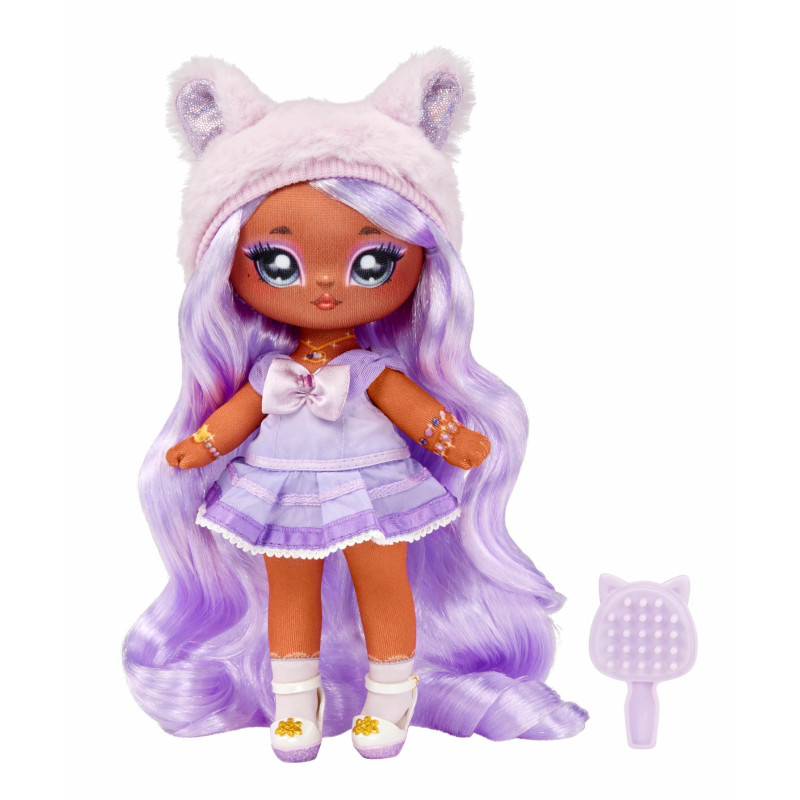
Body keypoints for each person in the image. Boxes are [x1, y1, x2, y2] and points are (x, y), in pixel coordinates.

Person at [123, 49, 587, 763]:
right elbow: (240, 414)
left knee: (382, 582)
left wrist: (452, 439)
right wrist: (201, 446)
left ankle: (391, 695)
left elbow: (412, 408)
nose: (325, 288)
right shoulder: (271, 373)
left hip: (375, 483)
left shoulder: (371, 371)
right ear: (225, 267)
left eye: (372, 263)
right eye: (277, 263)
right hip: (277, 488)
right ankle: (294, 702)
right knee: (289, 587)